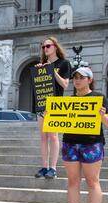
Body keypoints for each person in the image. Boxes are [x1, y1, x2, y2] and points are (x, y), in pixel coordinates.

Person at [61, 67, 108, 203]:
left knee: (92, 181)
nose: (77, 80)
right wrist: (50, 115)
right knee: (72, 181)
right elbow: (57, 121)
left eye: (81, 77)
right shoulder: (68, 100)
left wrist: (102, 116)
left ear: (89, 80)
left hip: (92, 144)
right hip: (70, 143)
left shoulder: (100, 98)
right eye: (75, 77)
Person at [34, 36, 71, 179]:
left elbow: (65, 84)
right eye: (43, 47)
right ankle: (44, 167)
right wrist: (40, 70)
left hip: (55, 103)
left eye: (47, 46)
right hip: (42, 102)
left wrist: (52, 71)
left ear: (55, 46)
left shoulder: (64, 63)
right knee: (43, 137)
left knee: (53, 136)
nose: (45, 49)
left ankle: (53, 168)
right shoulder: (42, 63)